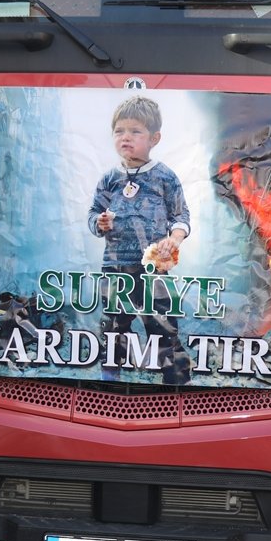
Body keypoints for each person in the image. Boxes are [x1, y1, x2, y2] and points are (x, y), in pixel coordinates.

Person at [86, 95, 192, 384]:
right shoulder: (109, 179)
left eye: (135, 131)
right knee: (112, 330)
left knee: (164, 330)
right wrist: (100, 222)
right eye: (119, 131)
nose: (126, 138)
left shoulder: (164, 177)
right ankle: (110, 386)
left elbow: (182, 217)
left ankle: (176, 388)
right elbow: (93, 214)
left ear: (154, 138)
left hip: (153, 270)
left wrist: (175, 239)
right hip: (115, 269)